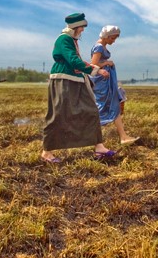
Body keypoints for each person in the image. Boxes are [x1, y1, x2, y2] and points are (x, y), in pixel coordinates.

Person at [41, 13, 116, 164]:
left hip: (76, 80)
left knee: (91, 110)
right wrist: (96, 70)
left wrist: (91, 69)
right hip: (63, 80)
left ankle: (99, 146)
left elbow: (77, 61)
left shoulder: (72, 40)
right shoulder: (64, 39)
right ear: (75, 27)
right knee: (58, 114)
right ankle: (46, 152)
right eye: (81, 27)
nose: (82, 30)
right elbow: (73, 60)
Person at [90, 25, 139, 145]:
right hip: (102, 81)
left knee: (114, 104)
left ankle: (123, 136)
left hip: (105, 80)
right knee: (105, 107)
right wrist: (107, 62)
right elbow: (93, 65)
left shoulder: (101, 46)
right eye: (112, 38)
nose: (114, 41)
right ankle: (91, 136)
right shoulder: (99, 47)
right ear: (106, 36)